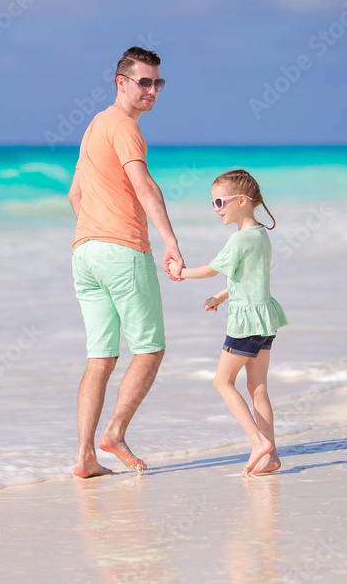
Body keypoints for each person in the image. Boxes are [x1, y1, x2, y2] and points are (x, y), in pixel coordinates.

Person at [67, 46, 183, 478]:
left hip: (85, 253)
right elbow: (145, 185)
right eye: (144, 82)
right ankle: (114, 433)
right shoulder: (124, 127)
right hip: (122, 251)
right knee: (151, 349)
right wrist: (170, 241)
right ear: (122, 82)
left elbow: (74, 195)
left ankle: (84, 457)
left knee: (100, 357)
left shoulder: (95, 125)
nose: (152, 90)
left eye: (158, 83)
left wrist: (96, 232)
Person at [167, 169, 287, 475]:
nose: (217, 209)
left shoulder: (239, 239)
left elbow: (210, 269)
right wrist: (223, 295)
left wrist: (180, 273)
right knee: (257, 388)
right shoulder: (260, 234)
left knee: (222, 382)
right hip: (265, 319)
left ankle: (259, 442)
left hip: (246, 324)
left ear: (242, 201)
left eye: (220, 202)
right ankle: (270, 456)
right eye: (213, 203)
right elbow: (248, 277)